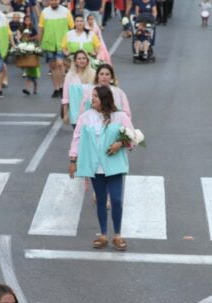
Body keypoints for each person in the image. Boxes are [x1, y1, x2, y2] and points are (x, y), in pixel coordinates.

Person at [69, 86, 135, 250]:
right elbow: (76, 138)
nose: (93, 100)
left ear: (105, 99)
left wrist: (120, 143)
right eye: (92, 96)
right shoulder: (86, 117)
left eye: (96, 97)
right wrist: (72, 159)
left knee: (116, 199)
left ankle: (118, 235)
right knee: (100, 200)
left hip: (114, 165)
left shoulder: (120, 116)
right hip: (94, 166)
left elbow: (132, 136)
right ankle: (103, 234)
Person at [39, 0, 74, 98]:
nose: (54, 2)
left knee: (60, 64)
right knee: (53, 66)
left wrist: (71, 42)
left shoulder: (66, 11)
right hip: (49, 43)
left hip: (62, 43)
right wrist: (40, 42)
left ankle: (62, 86)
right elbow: (41, 28)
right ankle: (56, 88)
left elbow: (72, 27)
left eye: (56, 0)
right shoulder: (44, 12)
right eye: (52, 0)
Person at [62, 50, 95, 126]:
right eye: (79, 59)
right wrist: (65, 113)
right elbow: (66, 97)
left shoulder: (94, 74)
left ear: (87, 60)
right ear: (75, 61)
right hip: (76, 113)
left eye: (84, 58)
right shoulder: (70, 76)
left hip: (92, 112)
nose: (82, 61)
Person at [18, 18, 41, 96]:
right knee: (29, 74)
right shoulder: (21, 28)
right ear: (24, 21)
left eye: (29, 20)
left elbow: (37, 37)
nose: (27, 22)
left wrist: (30, 38)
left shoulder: (33, 28)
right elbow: (19, 37)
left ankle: (35, 89)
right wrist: (22, 38)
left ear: (31, 21)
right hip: (25, 49)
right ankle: (27, 89)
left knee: (34, 77)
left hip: (32, 49)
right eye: (26, 20)